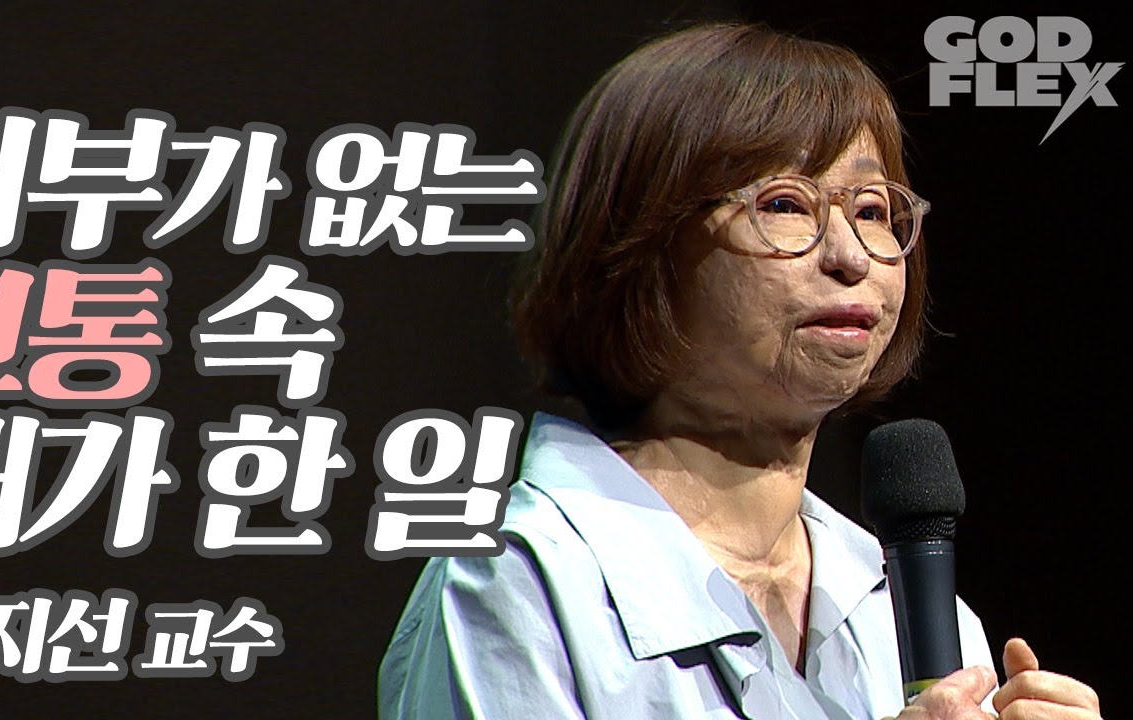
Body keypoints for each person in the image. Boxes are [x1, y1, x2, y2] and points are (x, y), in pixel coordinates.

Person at [378, 21, 1103, 720]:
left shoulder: (909, 611)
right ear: (640, 249)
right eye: (786, 204)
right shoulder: (519, 580)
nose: (851, 256)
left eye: (873, 210)